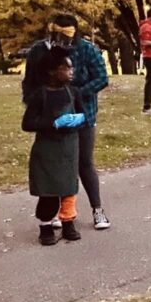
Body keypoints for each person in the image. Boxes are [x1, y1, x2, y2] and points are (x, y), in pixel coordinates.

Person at [22, 13, 111, 230]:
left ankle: (97, 209)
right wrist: (38, 104)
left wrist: (75, 94)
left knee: (84, 162)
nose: (63, 41)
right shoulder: (39, 51)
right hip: (49, 117)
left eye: (67, 37)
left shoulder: (87, 49)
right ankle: (57, 213)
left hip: (82, 113)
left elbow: (101, 78)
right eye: (58, 36)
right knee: (54, 165)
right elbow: (30, 82)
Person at [22, 47, 85, 246]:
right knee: (48, 191)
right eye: (66, 68)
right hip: (47, 150)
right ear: (52, 71)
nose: (71, 72)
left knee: (69, 188)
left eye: (71, 68)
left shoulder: (73, 92)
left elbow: (83, 114)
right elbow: (27, 123)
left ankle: (68, 223)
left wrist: (80, 120)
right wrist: (53, 124)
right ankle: (46, 227)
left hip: (69, 148)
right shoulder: (40, 95)